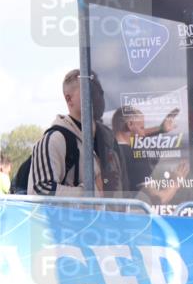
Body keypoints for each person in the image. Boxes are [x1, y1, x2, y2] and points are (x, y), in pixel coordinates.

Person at [27, 69, 124, 197]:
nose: (97, 96)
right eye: (88, 90)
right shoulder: (55, 139)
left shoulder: (108, 139)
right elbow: (39, 191)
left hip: (111, 216)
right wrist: (91, 193)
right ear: (69, 99)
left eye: (98, 91)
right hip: (76, 217)